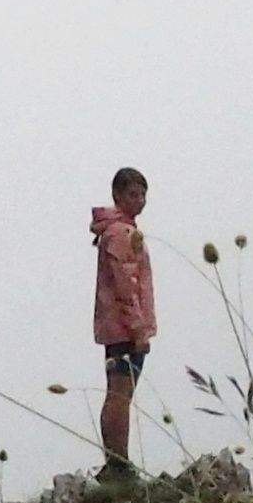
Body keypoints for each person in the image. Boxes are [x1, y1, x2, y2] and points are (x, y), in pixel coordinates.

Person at [90, 166, 156, 476]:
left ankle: (117, 460)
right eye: (132, 194)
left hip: (117, 326)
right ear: (117, 195)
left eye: (143, 195)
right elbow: (126, 285)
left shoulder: (121, 231)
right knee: (120, 393)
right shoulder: (120, 234)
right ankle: (118, 462)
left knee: (119, 392)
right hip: (124, 329)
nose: (139, 200)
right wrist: (139, 329)